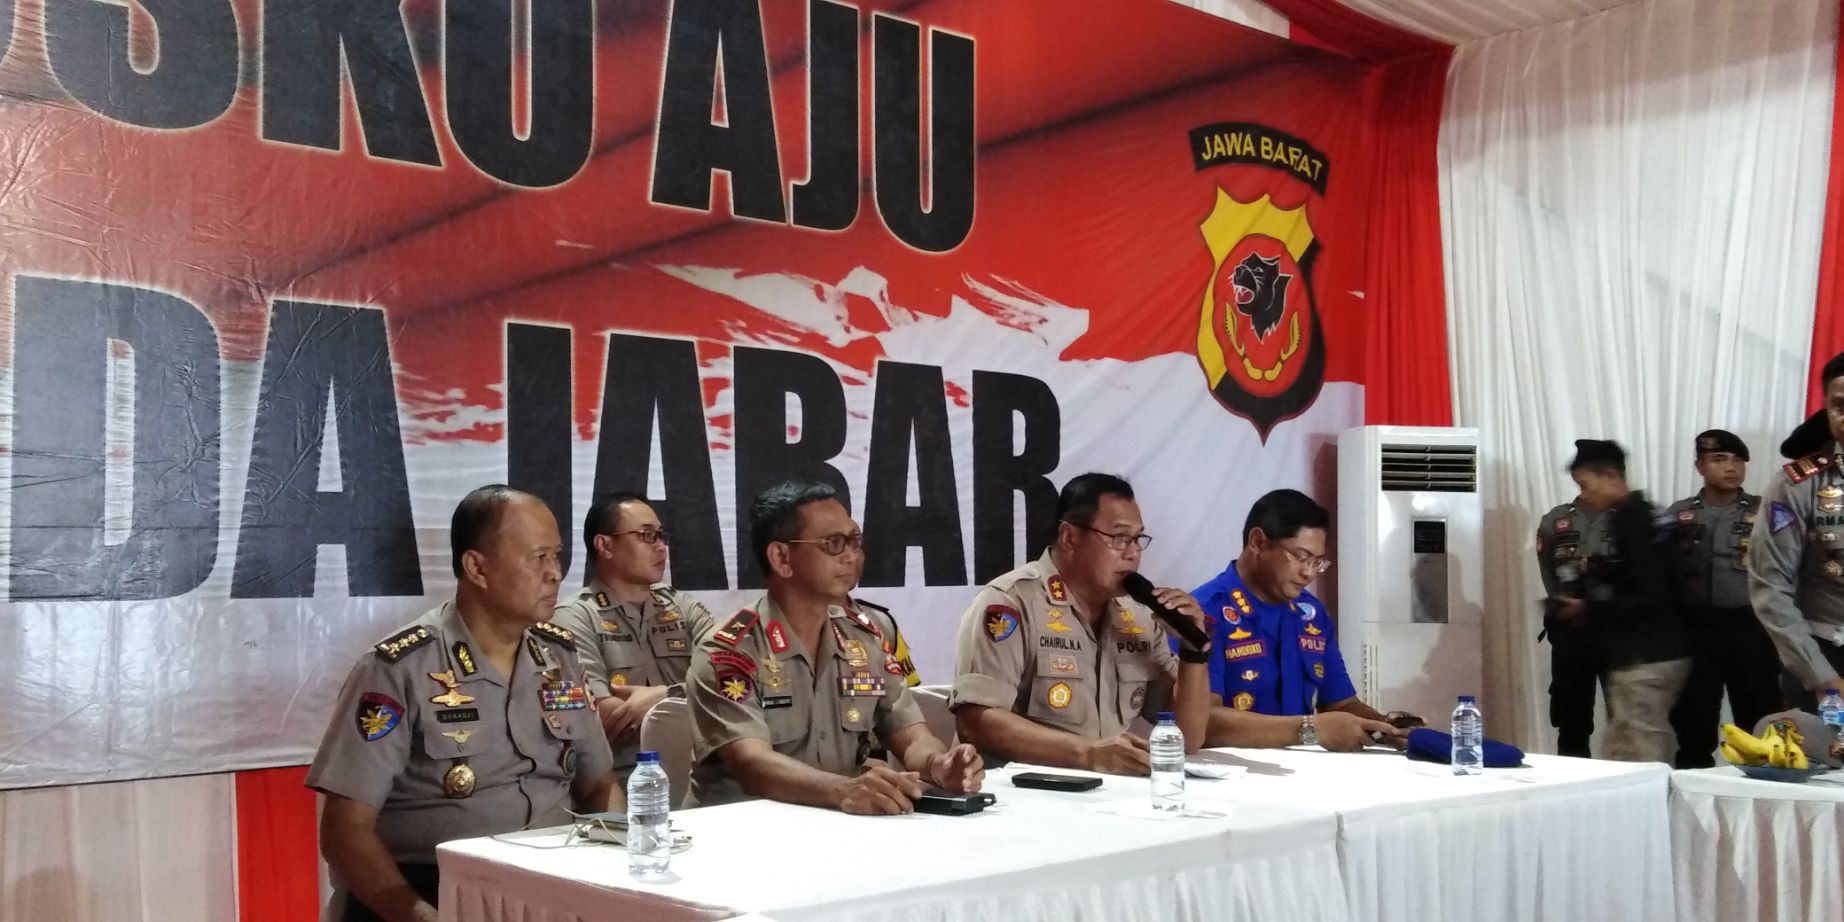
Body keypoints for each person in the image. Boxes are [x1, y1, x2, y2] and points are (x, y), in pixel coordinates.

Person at [307, 486, 621, 922]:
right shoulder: (400, 669)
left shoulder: (560, 657)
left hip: (554, 884)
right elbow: (345, 833)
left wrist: (616, 870)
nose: (555, 574)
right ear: (477, 567)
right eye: (537, 558)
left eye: (556, 556)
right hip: (436, 889)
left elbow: (599, 784)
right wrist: (418, 914)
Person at [685, 480, 983, 813]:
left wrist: (937, 763)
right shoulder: (729, 651)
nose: (851, 556)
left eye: (855, 541)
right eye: (833, 543)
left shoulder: (867, 635)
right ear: (781, 558)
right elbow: (753, 765)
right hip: (745, 831)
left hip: (838, 825)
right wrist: (843, 790)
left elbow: (910, 734)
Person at [950, 473, 1213, 774]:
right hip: (1021, 795)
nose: (1132, 553)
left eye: (1138, 539)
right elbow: (976, 721)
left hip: (1110, 794)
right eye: (1119, 538)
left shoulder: (1139, 616)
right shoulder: (1011, 603)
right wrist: (1087, 754)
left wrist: (1194, 653)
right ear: (1069, 537)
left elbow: (1188, 738)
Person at [1189, 489, 1409, 750]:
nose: (1308, 573)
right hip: (1229, 776)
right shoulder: (1204, 613)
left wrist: (1386, 726)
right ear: (1258, 542)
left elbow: (1339, 704)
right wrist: (1309, 729)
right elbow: (1202, 721)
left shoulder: (1311, 613)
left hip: (1303, 774)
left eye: (1317, 562)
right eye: (1301, 557)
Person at [1535, 440, 1690, 762]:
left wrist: (1587, 608)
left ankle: (1647, 813)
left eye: (1585, 484)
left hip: (1645, 657)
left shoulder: (1632, 520)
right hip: (1650, 652)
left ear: (1609, 476)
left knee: (1639, 759)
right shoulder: (1644, 513)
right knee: (1622, 748)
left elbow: (1651, 597)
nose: (1584, 494)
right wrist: (1607, 574)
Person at [550, 492, 714, 776]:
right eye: (647, 536)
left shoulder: (683, 607)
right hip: (626, 778)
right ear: (605, 545)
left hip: (700, 769)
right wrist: (696, 700)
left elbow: (733, 681)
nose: (661, 547)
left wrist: (664, 694)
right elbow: (606, 717)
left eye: (662, 536)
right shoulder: (573, 616)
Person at [1664, 430, 1778, 768]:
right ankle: (1692, 801)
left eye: (1737, 459)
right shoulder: (1678, 514)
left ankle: (1759, 800)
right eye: (1719, 459)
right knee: (1693, 723)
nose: (1731, 467)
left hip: (1752, 627)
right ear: (1700, 466)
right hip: (1696, 630)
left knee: (1758, 721)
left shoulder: (1767, 511)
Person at [1752, 351, 1844, 710]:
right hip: (1827, 656)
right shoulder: (1797, 485)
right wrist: (1821, 677)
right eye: (1839, 405)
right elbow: (1770, 587)